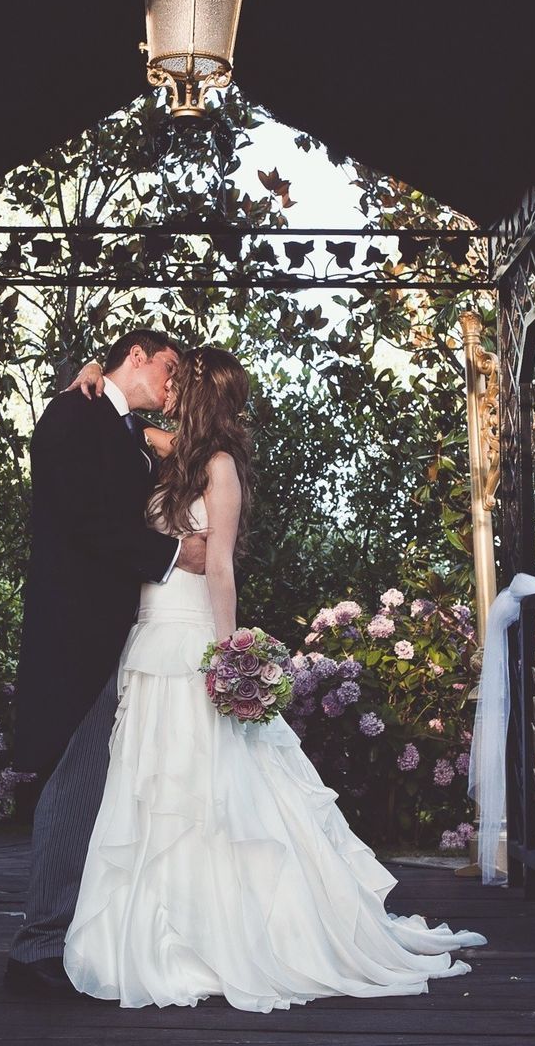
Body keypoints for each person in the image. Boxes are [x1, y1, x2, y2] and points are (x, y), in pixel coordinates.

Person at [59, 347, 485, 1011]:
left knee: (212, 792)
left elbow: (221, 568)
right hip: (149, 641)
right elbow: (115, 430)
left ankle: (226, 933)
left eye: (180, 382)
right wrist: (91, 373)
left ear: (197, 396)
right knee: (152, 789)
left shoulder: (219, 467)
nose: (167, 388)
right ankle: (159, 924)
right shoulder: (168, 455)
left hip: (194, 639)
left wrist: (231, 655)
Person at [4, 329, 209, 999]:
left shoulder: (120, 427)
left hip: (124, 634)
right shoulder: (73, 414)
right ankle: (37, 949)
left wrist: (139, 425)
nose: (173, 385)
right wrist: (178, 557)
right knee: (75, 782)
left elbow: (151, 464)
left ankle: (74, 933)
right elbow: (83, 518)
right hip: (77, 633)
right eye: (170, 369)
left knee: (101, 786)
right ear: (138, 357)